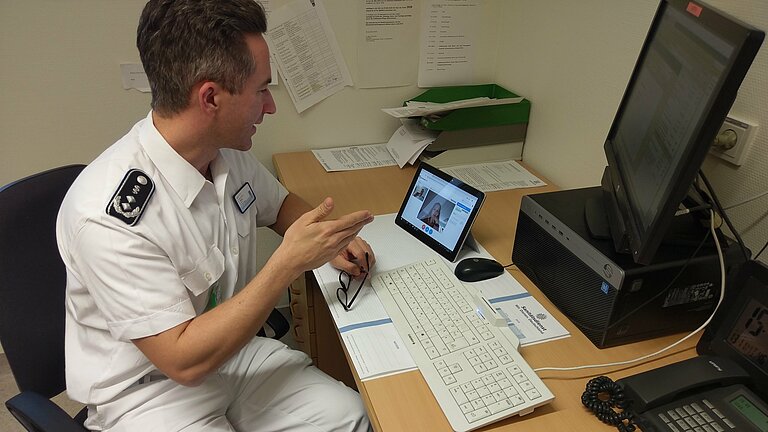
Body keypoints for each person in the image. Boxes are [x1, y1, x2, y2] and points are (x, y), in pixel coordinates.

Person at [55, 1, 375, 431]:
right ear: (210, 98)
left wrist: (330, 240)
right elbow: (183, 361)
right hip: (148, 391)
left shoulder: (223, 154)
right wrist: (287, 263)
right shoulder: (108, 216)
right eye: (261, 90)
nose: (270, 107)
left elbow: (279, 206)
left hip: (233, 353)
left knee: (352, 416)